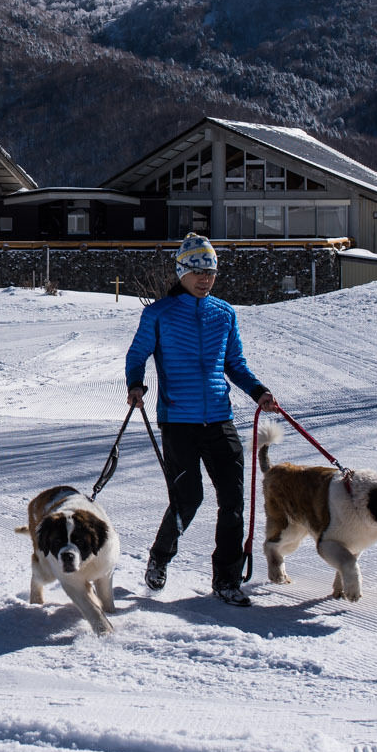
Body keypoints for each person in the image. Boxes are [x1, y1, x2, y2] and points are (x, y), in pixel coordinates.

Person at [124, 234, 280, 606]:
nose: (204, 278)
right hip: (178, 421)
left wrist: (259, 391)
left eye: (210, 271)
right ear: (181, 272)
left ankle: (227, 579)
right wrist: (135, 385)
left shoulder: (224, 313)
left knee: (233, 500)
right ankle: (160, 557)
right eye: (196, 271)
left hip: (220, 419)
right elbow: (137, 354)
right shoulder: (158, 313)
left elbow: (234, 364)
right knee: (188, 498)